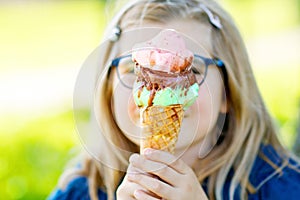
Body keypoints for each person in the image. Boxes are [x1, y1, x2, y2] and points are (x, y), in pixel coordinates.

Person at [48, 0, 300, 199]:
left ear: (227, 92)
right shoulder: (81, 191)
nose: (160, 96)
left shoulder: (279, 185)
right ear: (108, 91)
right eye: (134, 70)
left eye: (191, 70)